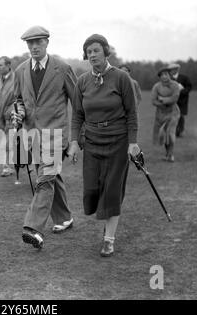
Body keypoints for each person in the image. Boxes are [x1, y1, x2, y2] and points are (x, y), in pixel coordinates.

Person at [68, 34, 140, 257]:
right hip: (92, 142)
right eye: (88, 52)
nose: (92, 55)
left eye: (96, 50)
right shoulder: (82, 81)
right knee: (91, 189)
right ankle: (106, 223)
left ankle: (109, 239)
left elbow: (132, 114)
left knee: (112, 191)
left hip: (117, 142)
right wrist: (73, 141)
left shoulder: (121, 78)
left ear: (106, 51)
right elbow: (77, 115)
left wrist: (133, 143)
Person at [12, 26, 77, 249]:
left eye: (38, 42)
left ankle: (33, 228)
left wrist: (78, 138)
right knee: (51, 176)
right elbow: (18, 99)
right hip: (33, 136)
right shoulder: (20, 70)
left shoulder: (63, 68)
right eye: (30, 43)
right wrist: (18, 112)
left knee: (45, 180)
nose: (34, 47)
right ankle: (65, 217)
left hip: (56, 135)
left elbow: (77, 104)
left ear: (47, 42)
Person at [0, 56, 15, 177]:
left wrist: (12, 111)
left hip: (12, 117)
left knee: (8, 143)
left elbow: (20, 98)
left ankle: (7, 167)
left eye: (0, 65)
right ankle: (8, 166)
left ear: (8, 65)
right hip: (1, 117)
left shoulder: (17, 79)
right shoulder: (0, 80)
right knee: (4, 143)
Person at [151, 67, 180, 162]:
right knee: (162, 135)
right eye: (162, 75)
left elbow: (174, 98)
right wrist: (163, 102)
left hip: (173, 113)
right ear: (159, 77)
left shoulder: (175, 85)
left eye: (166, 74)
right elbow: (153, 101)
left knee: (170, 133)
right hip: (160, 114)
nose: (164, 77)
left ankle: (171, 155)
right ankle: (167, 154)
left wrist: (162, 99)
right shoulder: (156, 86)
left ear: (170, 75)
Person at [166, 63, 192, 137]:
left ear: (176, 70)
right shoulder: (167, 79)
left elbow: (189, 87)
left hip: (182, 101)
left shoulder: (184, 78)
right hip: (171, 100)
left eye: (172, 70)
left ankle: (180, 132)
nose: (170, 71)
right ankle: (172, 132)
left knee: (180, 116)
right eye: (169, 70)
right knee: (171, 116)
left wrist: (182, 91)